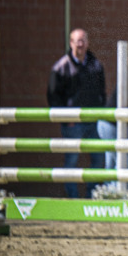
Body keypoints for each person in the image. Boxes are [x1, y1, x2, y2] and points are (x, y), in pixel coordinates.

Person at [47, 28, 106, 198]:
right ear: (71, 43)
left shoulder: (96, 65)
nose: (80, 44)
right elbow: (53, 96)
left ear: (88, 43)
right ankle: (73, 199)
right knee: (71, 161)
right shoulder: (60, 67)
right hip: (72, 124)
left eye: (83, 40)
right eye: (77, 40)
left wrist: (100, 113)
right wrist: (66, 119)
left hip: (94, 122)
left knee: (98, 159)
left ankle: (91, 197)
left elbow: (102, 92)